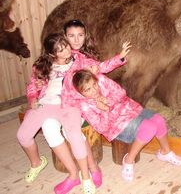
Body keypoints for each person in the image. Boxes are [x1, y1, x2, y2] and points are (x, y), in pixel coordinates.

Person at [17, 33, 130, 194]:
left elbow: (100, 67)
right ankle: (49, 167)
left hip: (68, 104)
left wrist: (120, 57)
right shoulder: (42, 66)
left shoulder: (80, 61)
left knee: (73, 135)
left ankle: (86, 176)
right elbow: (33, 85)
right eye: (60, 50)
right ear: (51, 54)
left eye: (66, 46)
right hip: (45, 104)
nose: (66, 51)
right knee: (24, 135)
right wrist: (33, 97)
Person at [63, 69, 181, 182]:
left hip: (129, 109)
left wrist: (108, 100)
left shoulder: (101, 79)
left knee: (159, 120)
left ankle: (165, 152)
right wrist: (104, 110)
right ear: (81, 92)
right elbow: (101, 128)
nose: (94, 90)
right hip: (116, 125)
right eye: (88, 89)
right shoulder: (85, 106)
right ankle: (128, 160)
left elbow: (121, 92)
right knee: (149, 128)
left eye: (94, 84)